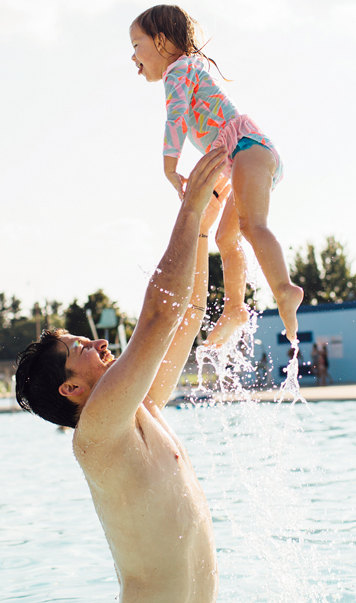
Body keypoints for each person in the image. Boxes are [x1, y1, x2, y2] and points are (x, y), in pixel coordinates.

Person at [14, 148, 230, 603]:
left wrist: (204, 231)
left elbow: (186, 315)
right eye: (79, 348)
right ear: (71, 388)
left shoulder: (142, 409)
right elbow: (157, 317)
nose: (97, 343)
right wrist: (187, 210)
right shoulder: (97, 436)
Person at [129, 4, 303, 348]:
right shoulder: (189, 68)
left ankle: (284, 288)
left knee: (253, 225)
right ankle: (235, 307)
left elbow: (176, 117)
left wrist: (169, 166)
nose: (132, 56)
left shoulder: (178, 71)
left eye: (136, 45)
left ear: (161, 43)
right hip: (242, 156)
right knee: (228, 237)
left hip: (249, 150)